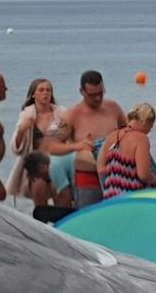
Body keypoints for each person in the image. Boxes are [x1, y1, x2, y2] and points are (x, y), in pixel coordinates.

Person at [50, 70, 127, 207]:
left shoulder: (113, 108)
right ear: (81, 92)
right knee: (90, 220)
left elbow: (129, 133)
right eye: (92, 95)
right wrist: (77, 146)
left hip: (117, 176)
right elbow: (52, 147)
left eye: (100, 93)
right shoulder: (72, 115)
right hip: (88, 179)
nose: (97, 98)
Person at [4, 78, 61, 200]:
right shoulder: (27, 116)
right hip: (37, 166)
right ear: (33, 94)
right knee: (38, 191)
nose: (45, 93)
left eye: (48, 90)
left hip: (56, 163)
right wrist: (22, 130)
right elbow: (16, 148)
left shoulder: (61, 114)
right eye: (41, 90)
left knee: (59, 194)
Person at [99, 103, 156, 201]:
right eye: (151, 126)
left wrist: (118, 175)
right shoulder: (141, 139)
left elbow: (101, 169)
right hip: (132, 200)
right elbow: (143, 175)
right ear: (146, 121)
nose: (150, 130)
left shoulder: (112, 136)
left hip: (111, 199)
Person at [21, 151, 74, 224]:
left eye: (40, 176)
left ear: (43, 167)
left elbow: (66, 201)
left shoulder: (53, 168)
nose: (43, 179)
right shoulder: (56, 159)